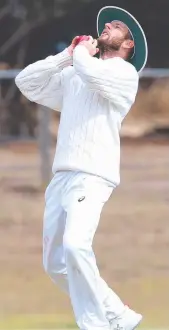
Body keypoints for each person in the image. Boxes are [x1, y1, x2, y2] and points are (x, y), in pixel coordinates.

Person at [15, 6, 148, 330]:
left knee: (76, 245)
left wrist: (78, 56)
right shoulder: (77, 70)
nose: (108, 26)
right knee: (55, 264)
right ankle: (119, 315)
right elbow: (25, 82)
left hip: (92, 174)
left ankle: (95, 325)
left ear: (128, 45)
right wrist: (65, 58)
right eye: (107, 24)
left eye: (117, 27)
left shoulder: (123, 74)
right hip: (61, 176)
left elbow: (92, 73)